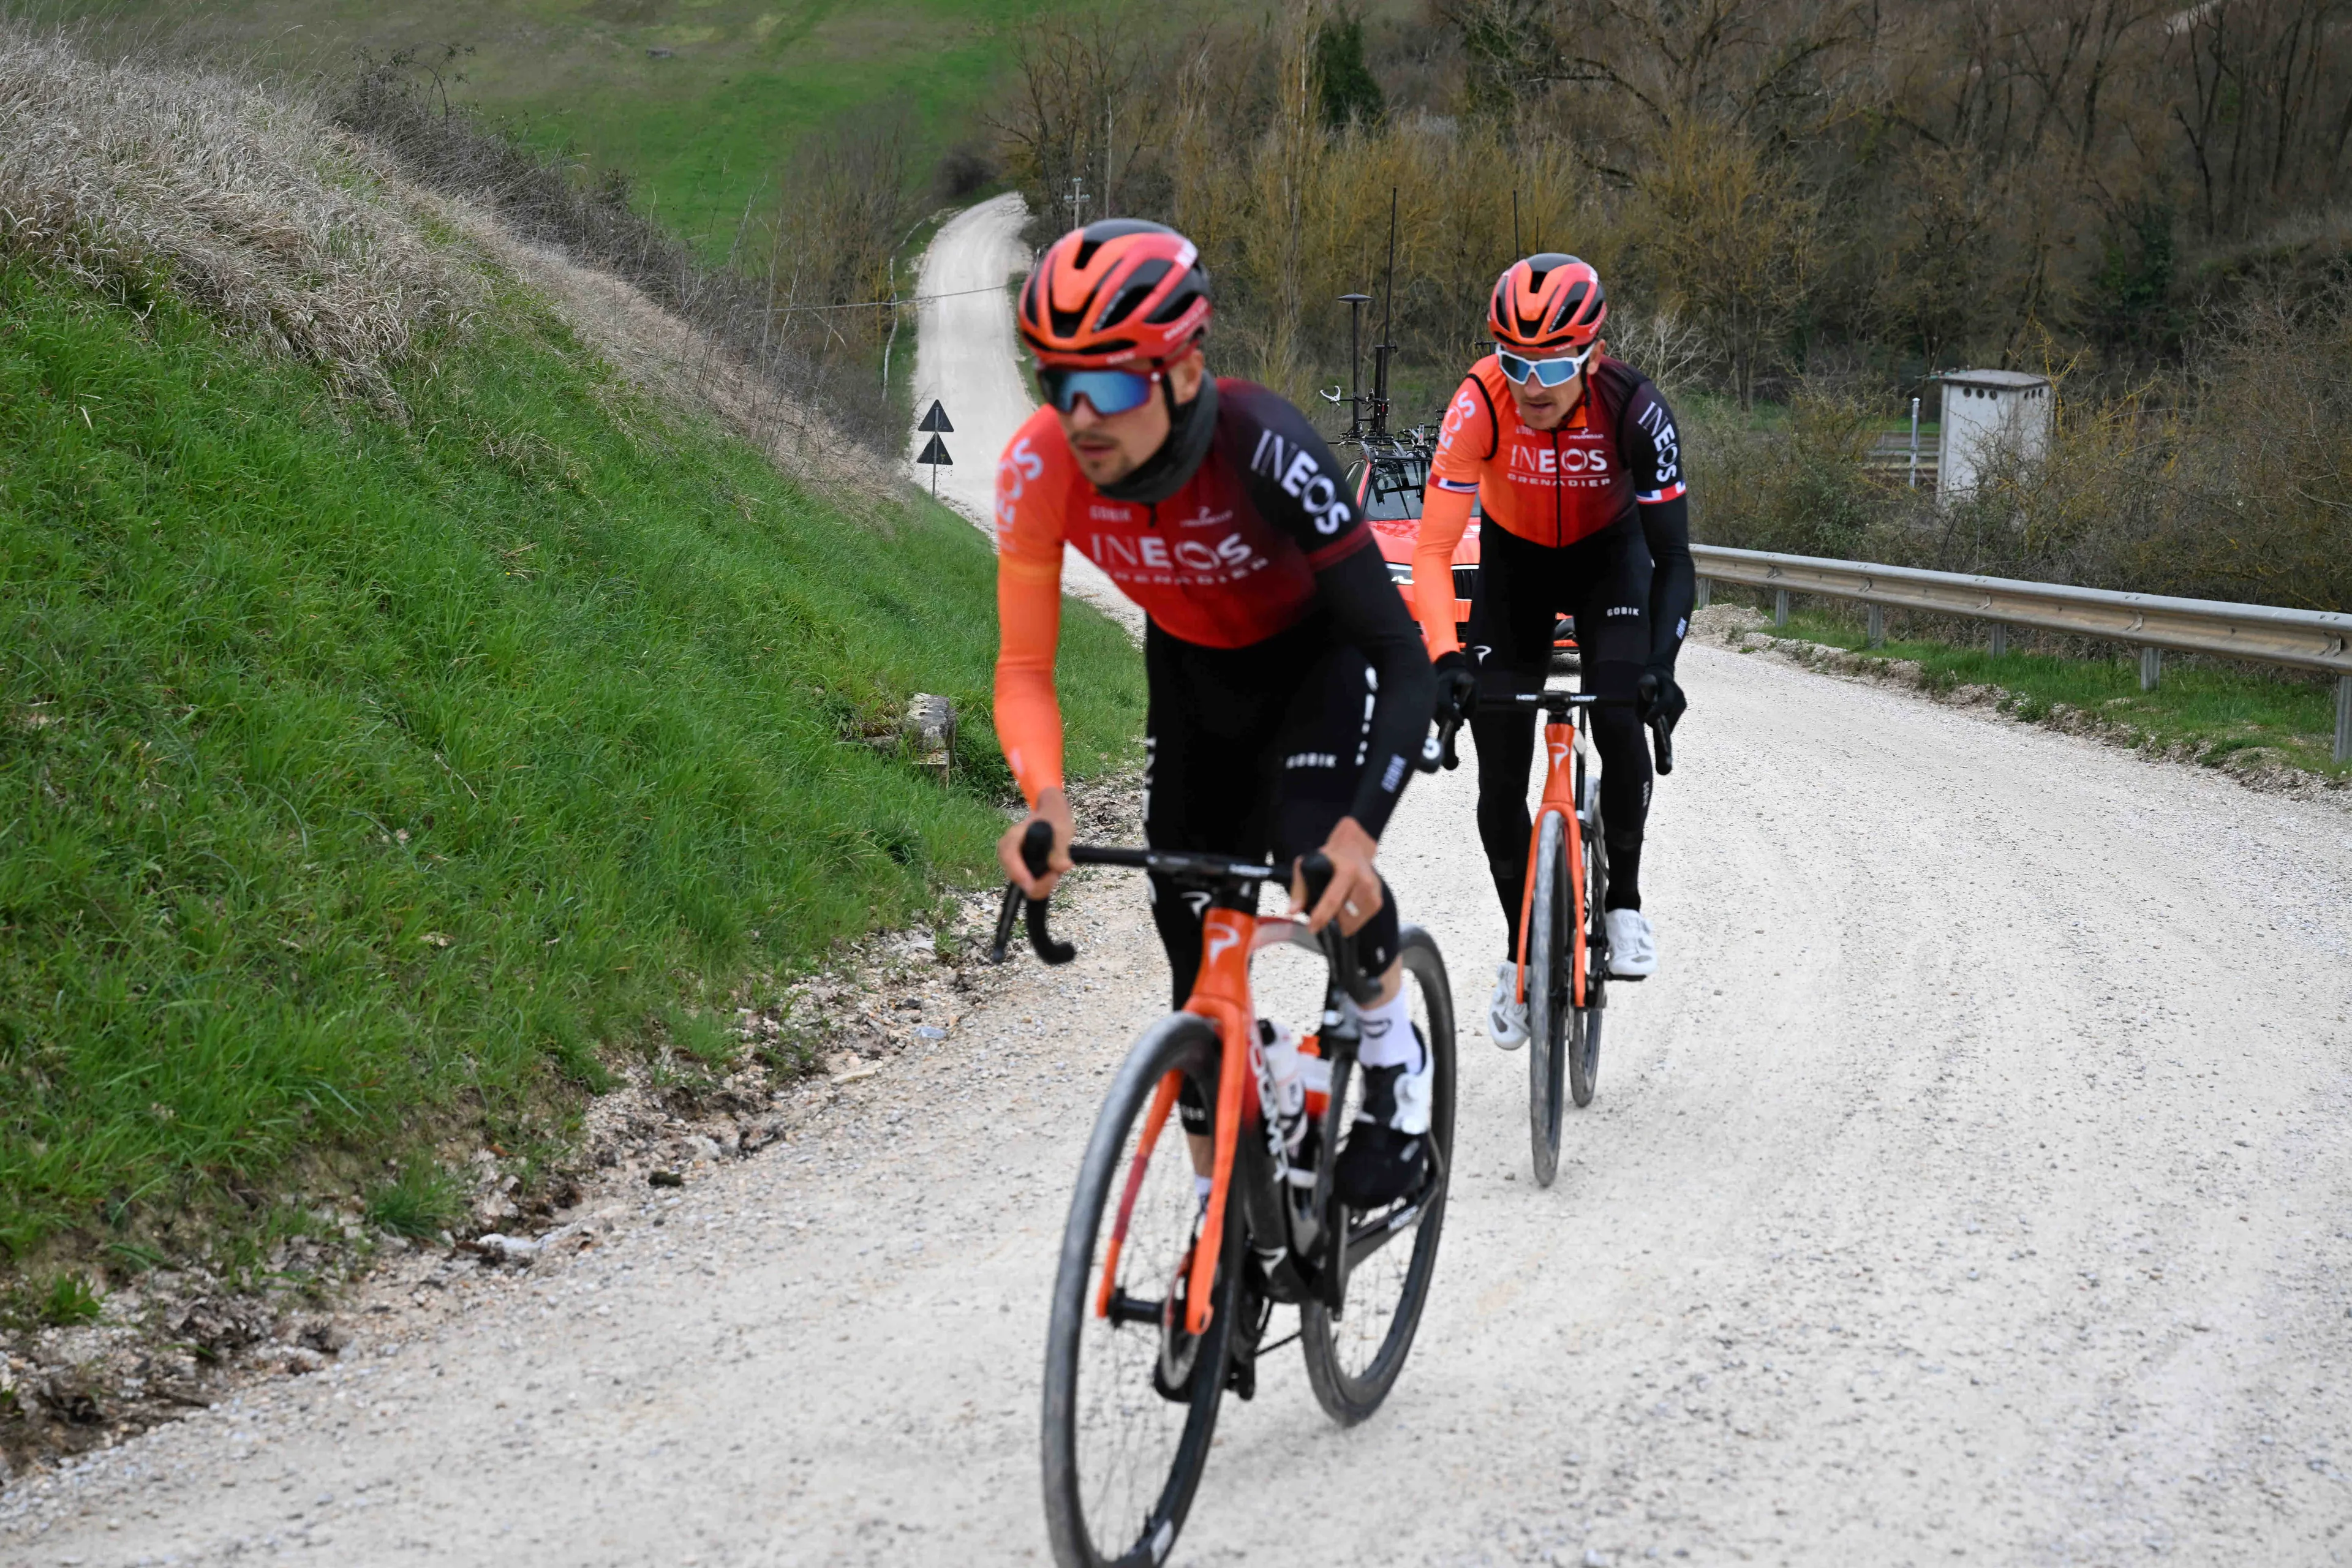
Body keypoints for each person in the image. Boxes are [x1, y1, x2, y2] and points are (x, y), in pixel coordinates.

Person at [993, 219, 1438, 1205]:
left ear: (1183, 371)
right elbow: (1024, 667)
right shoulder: (1039, 469)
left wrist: (1361, 833)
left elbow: (1402, 661)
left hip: (1313, 664)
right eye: (1052, 384)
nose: (1079, 417)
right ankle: (1215, 1229)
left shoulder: (1269, 451)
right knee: (1190, 952)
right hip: (1193, 675)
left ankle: (1397, 1062)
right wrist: (1046, 802)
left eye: (1106, 384)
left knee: (1309, 853)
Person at [1412, 254, 1695, 1049]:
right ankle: (1520, 954)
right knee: (1498, 772)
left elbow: (1674, 560)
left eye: (1555, 364)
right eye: (1514, 362)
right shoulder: (1479, 406)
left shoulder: (1636, 411)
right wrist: (1444, 659)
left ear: (1595, 355)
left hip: (1613, 561)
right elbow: (1433, 551)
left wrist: (1660, 671)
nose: (1532, 385)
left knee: (1618, 716)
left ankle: (1626, 900)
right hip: (1517, 572)